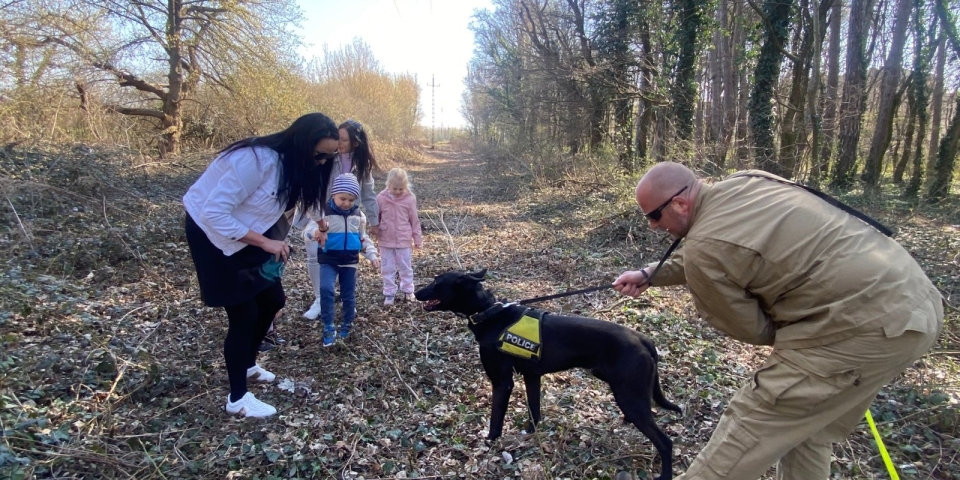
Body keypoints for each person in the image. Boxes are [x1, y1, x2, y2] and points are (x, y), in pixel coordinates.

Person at [612, 162, 943, 480]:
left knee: (749, 427)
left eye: (654, 216)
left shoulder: (705, 247)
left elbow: (753, 327)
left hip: (857, 327)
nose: (654, 226)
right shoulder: (748, 183)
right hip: (915, 304)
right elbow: (720, 246)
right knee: (805, 429)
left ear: (681, 203)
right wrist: (649, 273)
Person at [183, 112, 339, 418]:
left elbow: (308, 197)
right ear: (302, 144)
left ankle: (248, 363)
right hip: (212, 234)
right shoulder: (255, 161)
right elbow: (214, 213)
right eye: (320, 154)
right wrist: (266, 242)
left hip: (250, 231)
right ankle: (237, 399)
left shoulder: (301, 164)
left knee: (273, 299)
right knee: (245, 312)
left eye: (330, 156)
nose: (323, 162)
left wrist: (321, 224)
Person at [302, 119, 380, 320]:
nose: (339, 142)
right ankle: (320, 298)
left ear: (355, 142)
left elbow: (369, 195)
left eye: (343, 139)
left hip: (351, 215)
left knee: (349, 255)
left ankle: (347, 300)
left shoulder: (363, 165)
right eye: (338, 137)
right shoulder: (327, 158)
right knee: (313, 250)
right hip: (324, 212)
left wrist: (374, 222)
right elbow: (314, 187)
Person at [303, 173, 379, 347]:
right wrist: (314, 233)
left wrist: (372, 255)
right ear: (333, 195)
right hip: (328, 259)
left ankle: (347, 323)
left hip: (349, 261)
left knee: (348, 295)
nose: (347, 203)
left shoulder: (358, 216)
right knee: (326, 289)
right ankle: (328, 325)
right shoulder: (324, 214)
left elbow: (363, 238)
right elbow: (309, 231)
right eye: (342, 198)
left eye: (351, 200)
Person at [376, 168, 423, 305]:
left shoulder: (409, 199)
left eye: (400, 189)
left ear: (406, 186)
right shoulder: (380, 198)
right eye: (394, 188)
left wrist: (417, 238)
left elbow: (414, 220)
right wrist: (374, 230)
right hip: (385, 239)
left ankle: (408, 291)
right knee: (387, 268)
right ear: (388, 185)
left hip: (403, 239)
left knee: (405, 267)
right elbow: (376, 217)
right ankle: (389, 293)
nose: (397, 192)